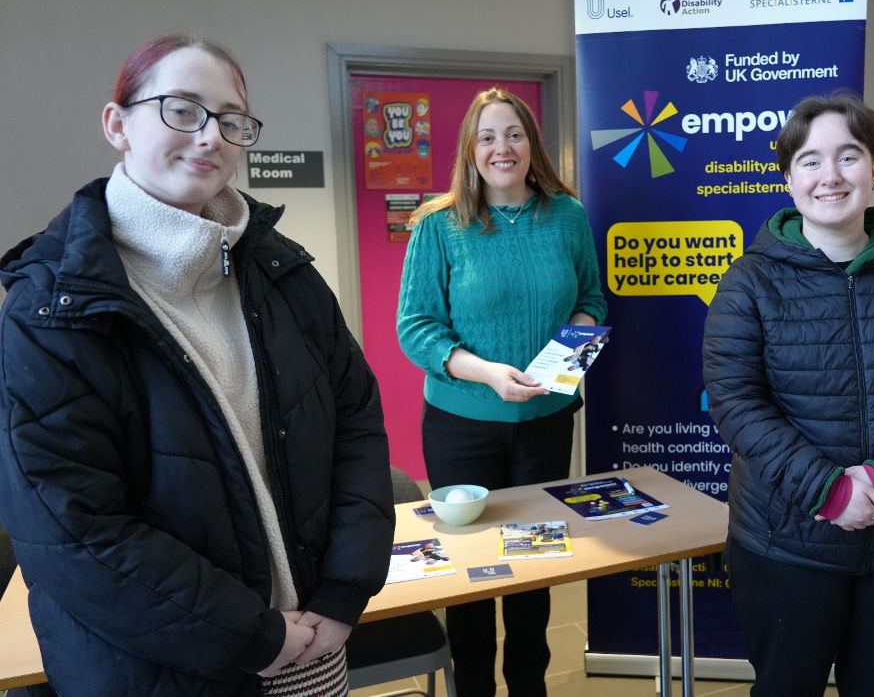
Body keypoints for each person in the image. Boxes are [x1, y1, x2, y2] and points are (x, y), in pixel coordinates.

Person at [0, 34, 396, 696]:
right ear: (117, 124)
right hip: (163, 669)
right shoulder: (49, 307)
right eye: (182, 109)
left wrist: (343, 591)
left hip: (313, 642)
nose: (211, 136)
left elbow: (355, 424)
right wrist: (254, 636)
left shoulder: (283, 271)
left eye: (232, 119)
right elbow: (72, 531)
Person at [702, 92, 874, 697]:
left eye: (849, 156)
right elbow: (736, 402)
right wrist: (829, 491)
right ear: (787, 178)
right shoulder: (748, 283)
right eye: (810, 160)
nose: (830, 176)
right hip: (787, 546)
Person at [397, 87, 607, 696]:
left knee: (532, 566)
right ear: (470, 148)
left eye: (513, 134)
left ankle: (528, 686)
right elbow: (416, 329)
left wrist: (571, 351)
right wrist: (487, 372)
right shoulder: (439, 225)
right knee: (471, 574)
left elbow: (591, 299)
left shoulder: (566, 214)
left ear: (531, 144)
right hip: (462, 425)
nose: (501, 148)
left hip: (547, 419)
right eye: (487, 136)